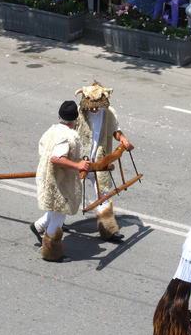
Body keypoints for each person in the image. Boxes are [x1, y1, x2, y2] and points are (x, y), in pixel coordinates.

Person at [30, 100, 90, 263]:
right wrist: (77, 165)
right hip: (59, 181)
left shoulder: (52, 130)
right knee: (59, 215)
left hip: (48, 177)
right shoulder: (68, 136)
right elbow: (56, 158)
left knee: (55, 209)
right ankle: (51, 252)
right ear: (76, 119)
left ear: (59, 116)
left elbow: (43, 150)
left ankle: (38, 227)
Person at [74, 82, 131, 243]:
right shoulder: (78, 114)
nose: (93, 109)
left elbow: (116, 131)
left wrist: (123, 139)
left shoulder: (109, 113)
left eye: (96, 107)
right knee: (67, 193)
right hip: (79, 161)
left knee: (104, 194)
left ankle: (109, 230)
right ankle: (49, 223)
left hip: (100, 161)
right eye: (91, 107)